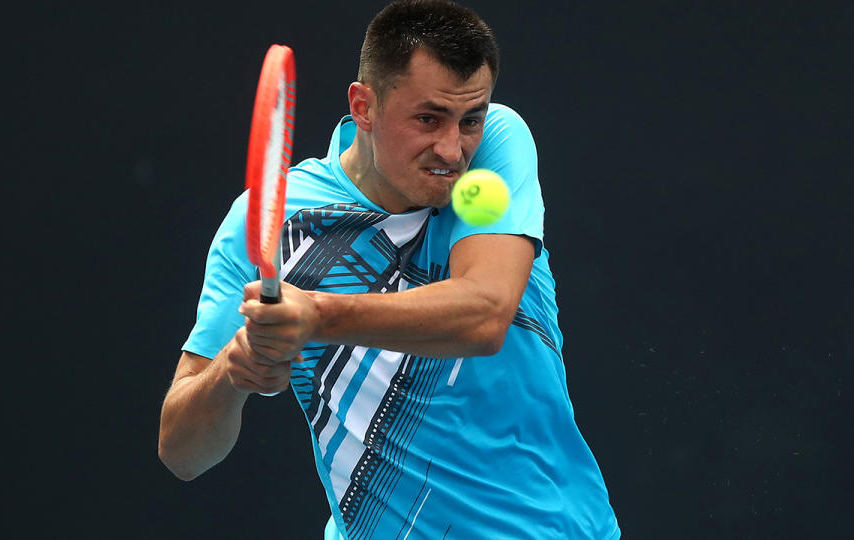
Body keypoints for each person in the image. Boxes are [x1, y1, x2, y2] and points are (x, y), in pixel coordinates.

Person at [158, 1, 620, 538]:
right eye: (427, 119)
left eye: (469, 119)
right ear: (364, 107)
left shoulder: (498, 142)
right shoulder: (270, 220)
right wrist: (233, 372)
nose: (453, 150)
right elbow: (181, 452)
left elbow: (485, 315)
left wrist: (318, 315)